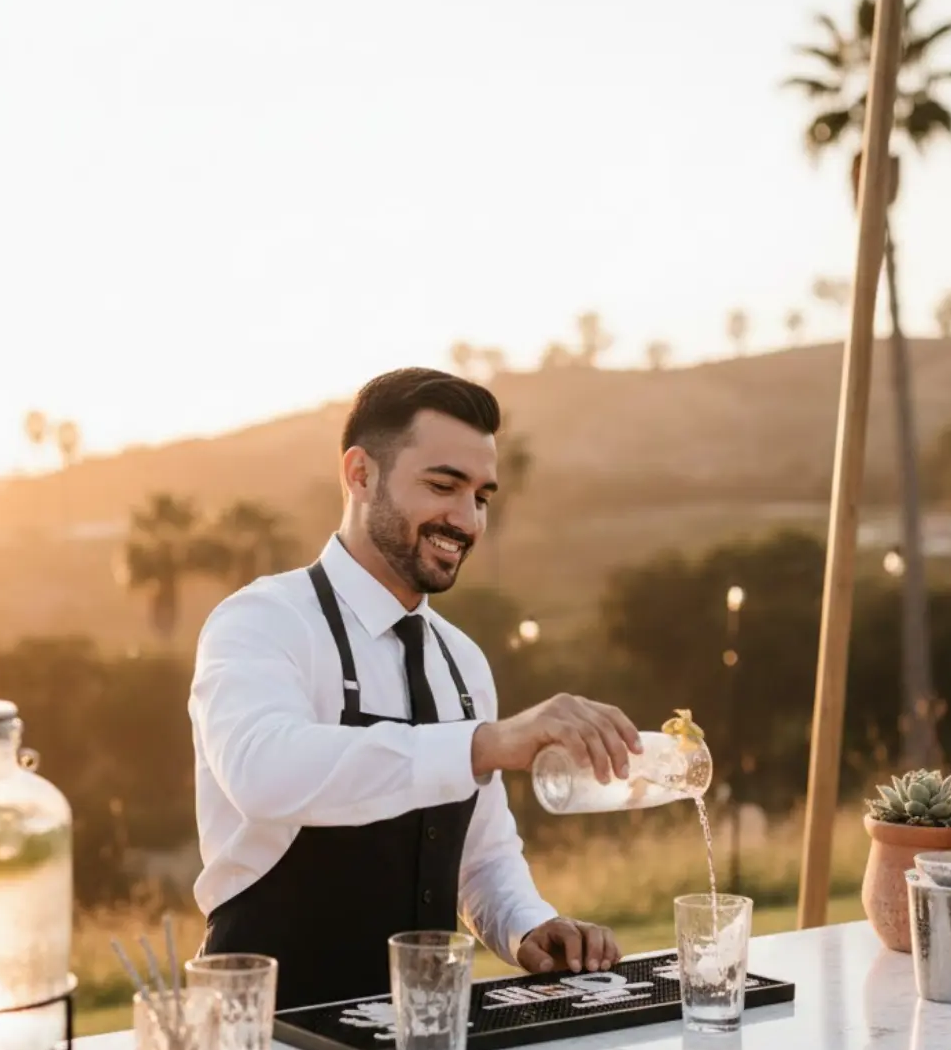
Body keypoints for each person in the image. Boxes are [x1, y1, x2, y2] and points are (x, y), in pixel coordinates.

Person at [188, 366, 641, 1010]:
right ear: (359, 473)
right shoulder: (262, 620)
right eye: (442, 486)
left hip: (430, 1035)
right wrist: (483, 745)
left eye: (481, 496)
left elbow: (480, 856)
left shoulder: (462, 660)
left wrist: (527, 925)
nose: (466, 520)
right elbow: (263, 772)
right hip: (271, 1037)